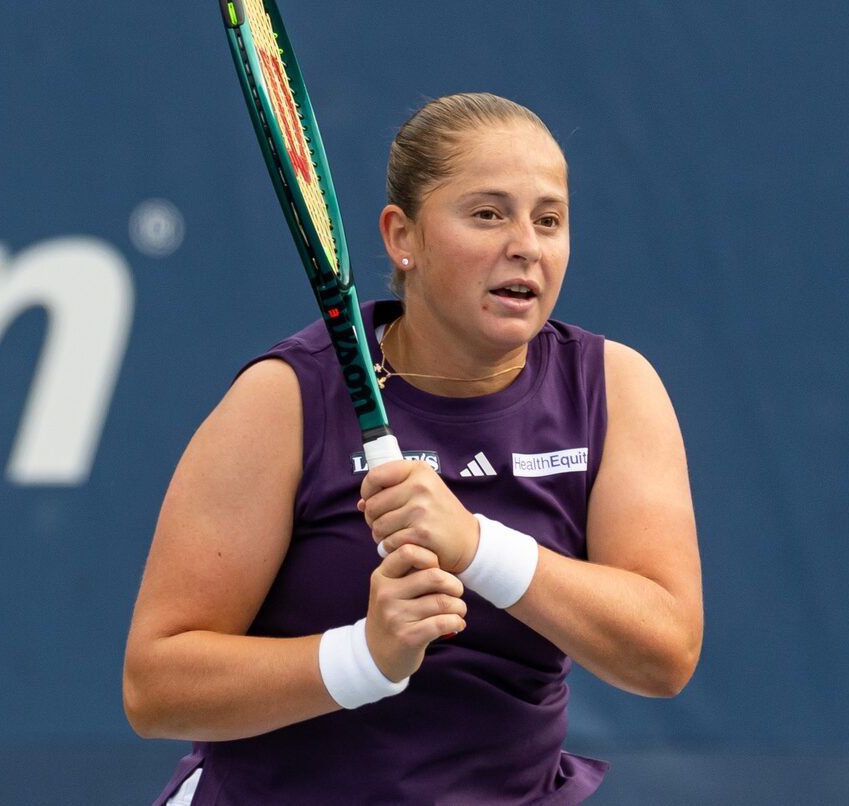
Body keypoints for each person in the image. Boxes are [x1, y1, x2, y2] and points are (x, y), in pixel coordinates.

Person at [123, 92, 702, 805]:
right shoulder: (286, 400)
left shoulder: (615, 387)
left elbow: (665, 653)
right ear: (404, 237)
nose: (525, 243)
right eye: (488, 214)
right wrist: (364, 658)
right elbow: (156, 688)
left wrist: (477, 547)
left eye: (548, 219)